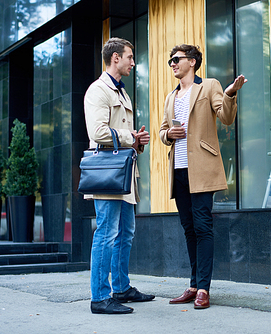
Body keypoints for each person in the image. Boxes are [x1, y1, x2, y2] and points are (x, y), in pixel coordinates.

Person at [159, 44, 247, 309]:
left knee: (202, 226)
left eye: (177, 59)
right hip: (179, 170)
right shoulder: (170, 96)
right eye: (170, 61)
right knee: (188, 228)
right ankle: (193, 284)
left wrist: (230, 93)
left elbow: (226, 117)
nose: (173, 64)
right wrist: (167, 135)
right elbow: (163, 130)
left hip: (202, 168)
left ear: (193, 62)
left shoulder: (209, 86)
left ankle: (204, 289)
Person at [84, 37, 153, 314]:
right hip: (108, 173)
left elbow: (122, 136)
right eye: (130, 57)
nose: (133, 63)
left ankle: (121, 288)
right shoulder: (98, 91)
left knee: (125, 233)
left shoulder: (122, 93)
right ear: (116, 58)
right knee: (107, 233)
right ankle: (100, 298)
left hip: (124, 173)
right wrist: (130, 137)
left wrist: (138, 141)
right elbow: (97, 133)